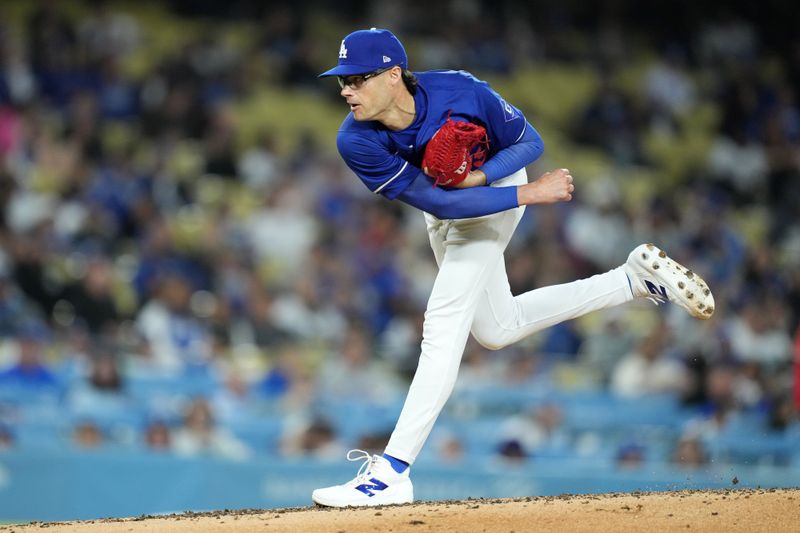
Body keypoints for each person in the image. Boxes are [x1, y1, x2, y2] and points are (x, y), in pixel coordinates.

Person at [312, 28, 715, 507]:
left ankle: (392, 471)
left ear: (393, 74)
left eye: (356, 78)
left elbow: (529, 141)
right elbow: (439, 204)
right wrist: (519, 192)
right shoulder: (354, 139)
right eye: (343, 80)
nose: (345, 89)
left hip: (499, 184)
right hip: (452, 205)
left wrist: (498, 182)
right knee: (498, 329)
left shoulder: (460, 90)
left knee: (443, 322)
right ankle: (633, 281)